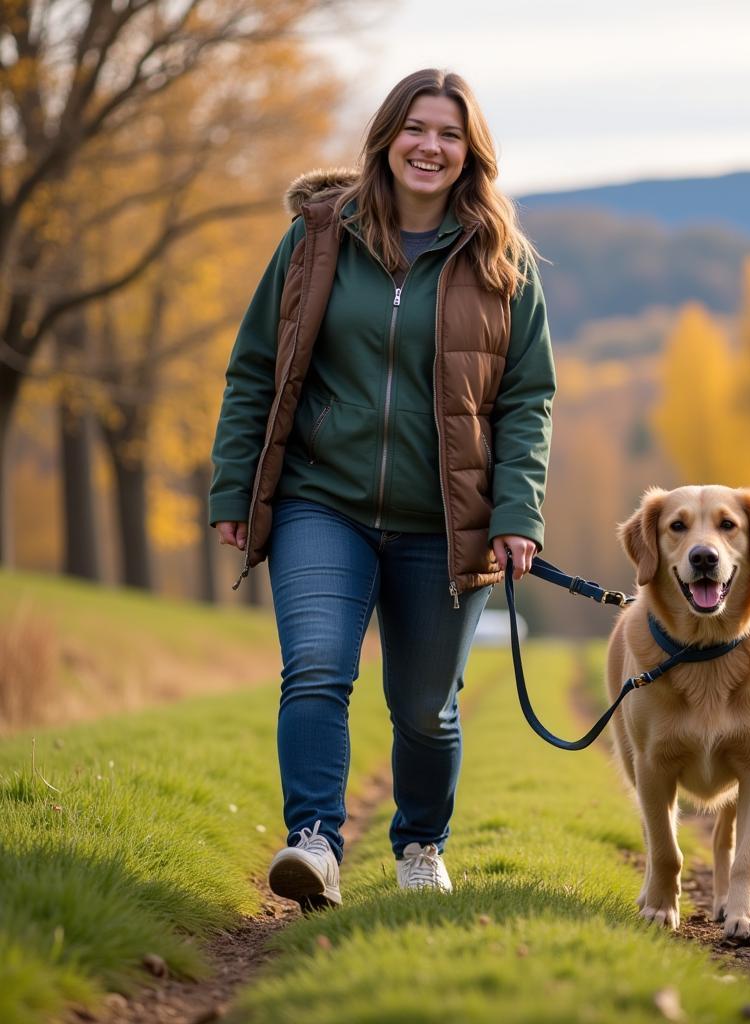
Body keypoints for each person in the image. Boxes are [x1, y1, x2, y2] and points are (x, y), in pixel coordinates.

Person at [208, 68, 556, 910]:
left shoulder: (500, 259)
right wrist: (233, 487)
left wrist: (517, 512)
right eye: (415, 128)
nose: (429, 146)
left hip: (446, 520)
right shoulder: (320, 237)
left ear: (470, 152)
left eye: (448, 133)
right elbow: (257, 364)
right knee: (317, 669)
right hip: (318, 502)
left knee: (425, 709)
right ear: (386, 138)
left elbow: (526, 399)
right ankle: (316, 842)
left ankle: (420, 846)